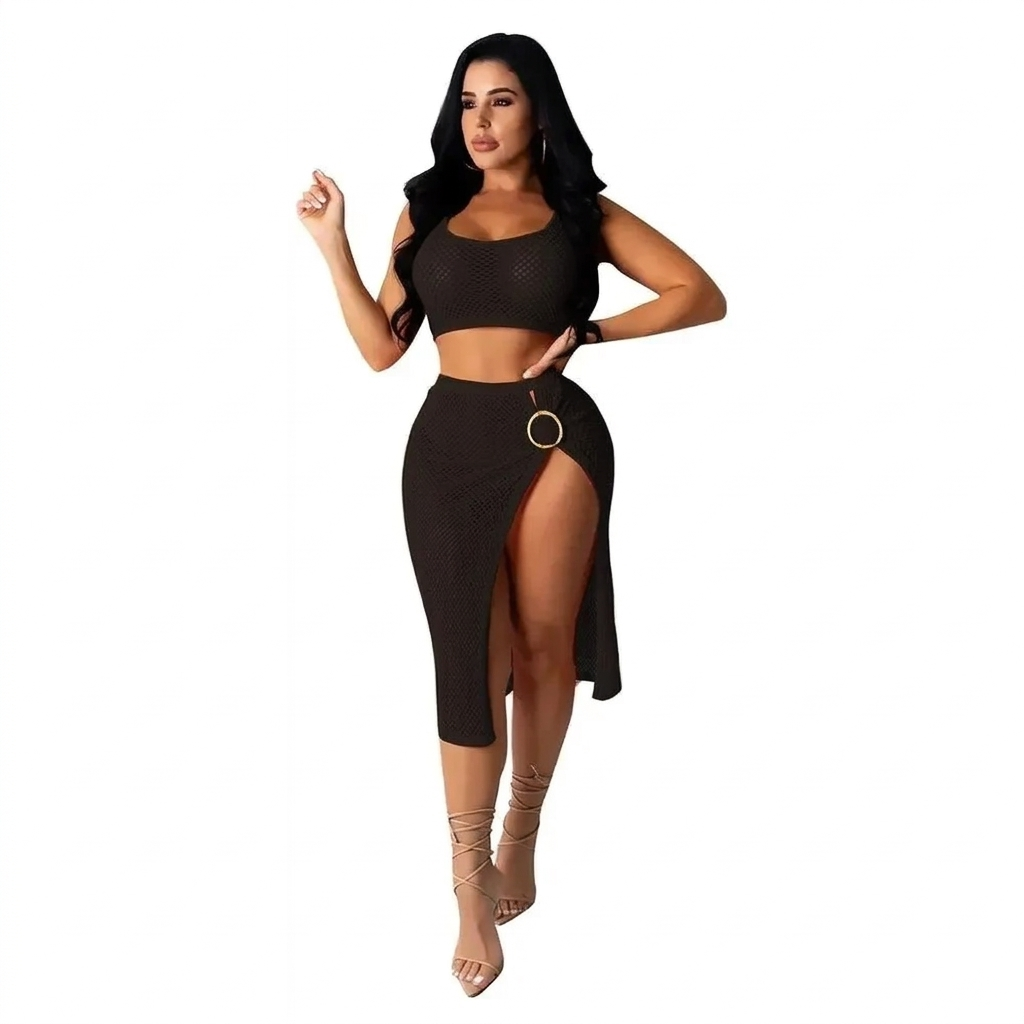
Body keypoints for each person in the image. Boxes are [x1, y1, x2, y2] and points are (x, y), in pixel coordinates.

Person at [296, 31, 726, 998]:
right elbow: (381, 349)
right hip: (447, 444)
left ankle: (520, 837)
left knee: (541, 645)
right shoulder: (427, 210)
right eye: (467, 102)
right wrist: (334, 247)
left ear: (539, 111)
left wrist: (591, 333)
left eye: (501, 100)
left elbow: (701, 294)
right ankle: (467, 888)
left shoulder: (580, 213)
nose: (480, 121)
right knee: (466, 657)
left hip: (551, 433)